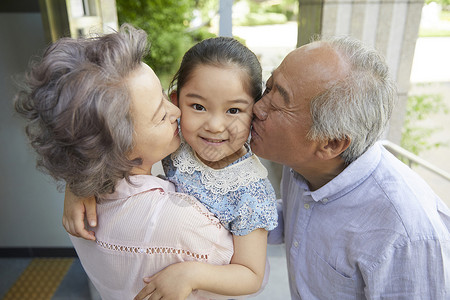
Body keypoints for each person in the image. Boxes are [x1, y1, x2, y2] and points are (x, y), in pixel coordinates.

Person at [14, 24, 234, 300]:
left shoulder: (81, 205)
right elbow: (250, 278)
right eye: (160, 116)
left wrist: (76, 183)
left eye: (165, 97)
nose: (176, 110)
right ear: (121, 148)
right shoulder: (186, 224)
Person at [64, 36, 277, 299]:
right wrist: (78, 185)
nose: (214, 125)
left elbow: (251, 274)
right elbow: (105, 142)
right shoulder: (178, 136)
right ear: (177, 101)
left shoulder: (251, 191)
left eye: (234, 110)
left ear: (254, 111)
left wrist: (191, 273)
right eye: (198, 106)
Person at [250, 35, 450, 299]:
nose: (256, 108)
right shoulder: (304, 161)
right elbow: (298, 220)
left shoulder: (406, 237)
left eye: (277, 105)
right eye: (268, 88)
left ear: (331, 143)